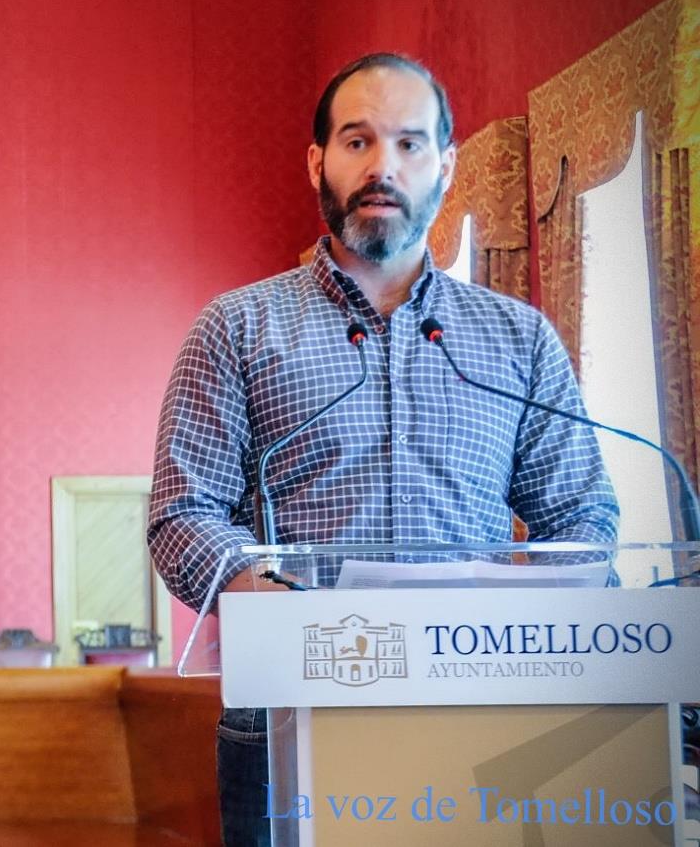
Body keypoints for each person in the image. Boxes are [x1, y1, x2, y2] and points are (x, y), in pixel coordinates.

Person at [147, 54, 618, 846]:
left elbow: (583, 511)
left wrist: (537, 603)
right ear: (318, 162)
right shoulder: (235, 328)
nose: (382, 168)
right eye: (357, 141)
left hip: (483, 705)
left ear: (446, 165)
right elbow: (183, 512)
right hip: (292, 703)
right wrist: (253, 588)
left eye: (408, 143)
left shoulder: (520, 338)